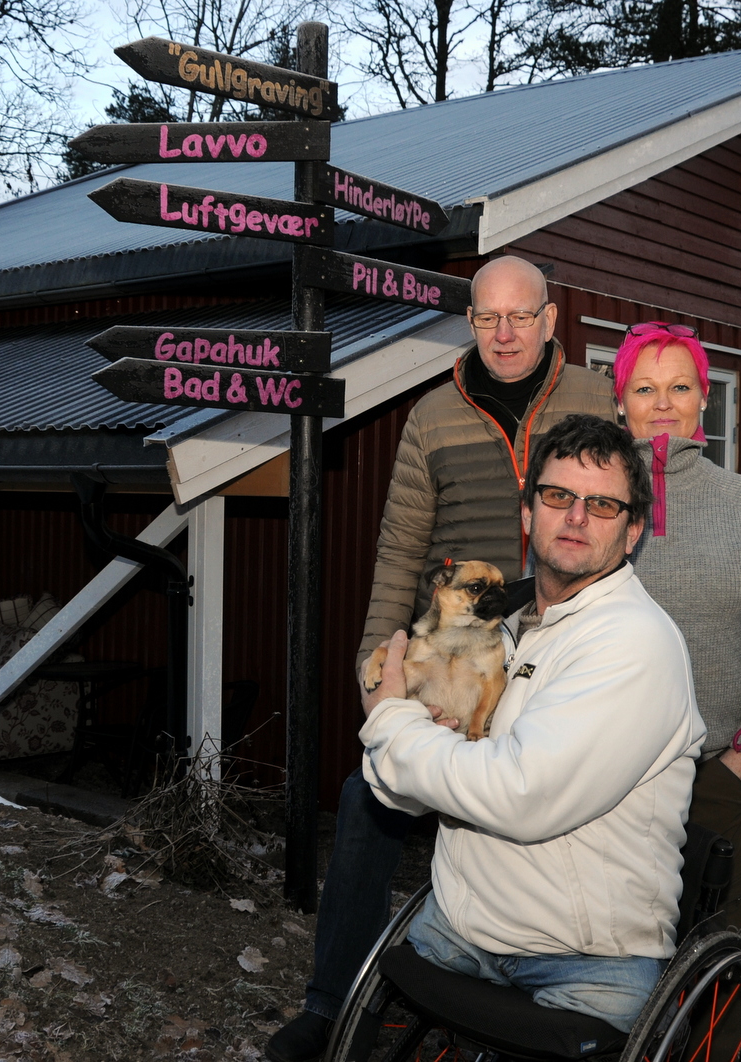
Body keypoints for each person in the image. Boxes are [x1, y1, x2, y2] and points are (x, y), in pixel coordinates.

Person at [268, 256, 615, 1062]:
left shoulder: (598, 400)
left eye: (521, 316)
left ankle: (516, 1005)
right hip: (454, 660)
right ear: (468, 322)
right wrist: (375, 667)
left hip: (561, 647)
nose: (504, 332)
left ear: (550, 320)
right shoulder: (432, 414)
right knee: (368, 799)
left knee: (537, 815)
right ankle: (328, 1005)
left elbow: (629, 518)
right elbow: (400, 548)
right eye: (489, 317)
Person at [359, 414, 707, 1030]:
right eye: (557, 496)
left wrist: (390, 724)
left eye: (602, 505)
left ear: (632, 535)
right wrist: (411, 741)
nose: (576, 516)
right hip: (462, 927)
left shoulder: (633, 642)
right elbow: (409, 786)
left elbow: (522, 794)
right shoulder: (506, 626)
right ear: (527, 514)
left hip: (582, 966)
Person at [613, 321, 741, 941]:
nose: (662, 403)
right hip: (607, 778)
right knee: (612, 948)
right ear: (620, 403)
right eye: (644, 388)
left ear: (703, 400)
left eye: (679, 387)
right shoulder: (594, 502)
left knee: (712, 951)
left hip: (714, 776)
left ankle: (714, 1043)